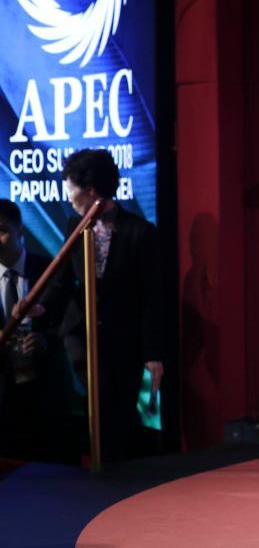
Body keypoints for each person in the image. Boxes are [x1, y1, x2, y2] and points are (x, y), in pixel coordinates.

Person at [39, 149, 164, 463]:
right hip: (80, 334)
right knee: (96, 400)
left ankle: (115, 474)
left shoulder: (140, 232)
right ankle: (95, 466)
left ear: (91, 191)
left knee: (120, 410)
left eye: (71, 190)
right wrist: (39, 308)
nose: (68, 198)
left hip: (123, 338)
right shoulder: (74, 225)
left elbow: (152, 297)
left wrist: (153, 353)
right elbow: (62, 280)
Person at [0, 199, 53, 461]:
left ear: (19, 229)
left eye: (2, 231)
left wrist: (45, 341)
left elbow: (69, 321)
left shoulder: (49, 269)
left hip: (47, 393)